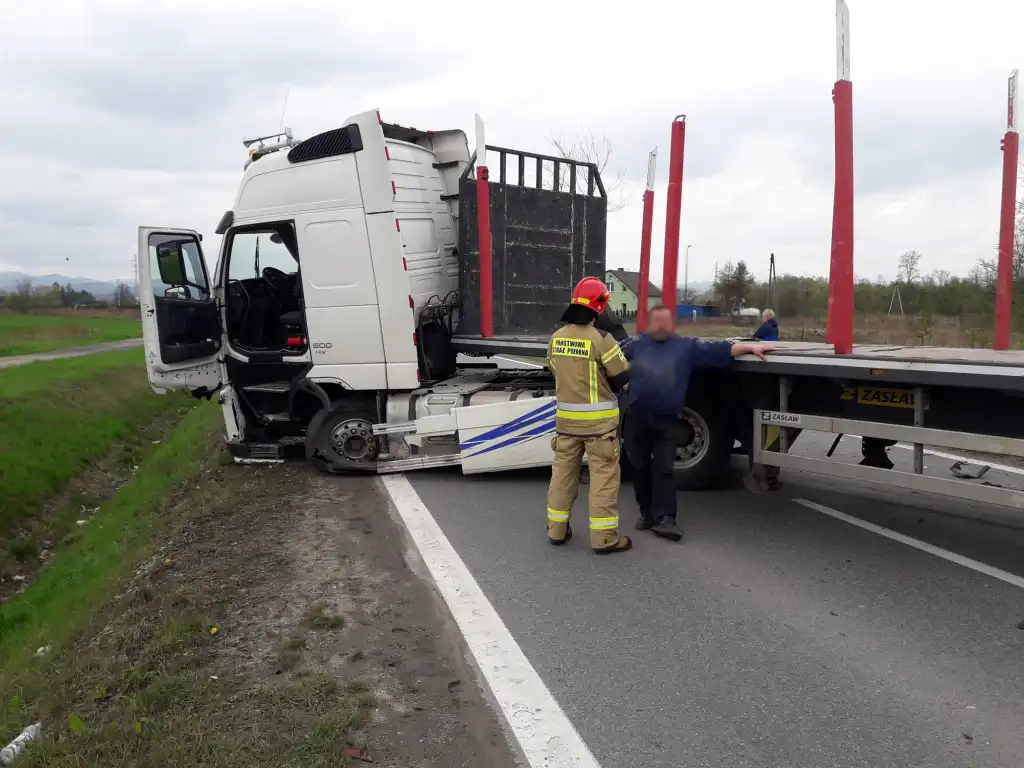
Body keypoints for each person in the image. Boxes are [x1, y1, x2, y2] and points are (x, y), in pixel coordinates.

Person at [623, 304, 775, 541]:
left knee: (664, 470)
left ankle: (667, 519)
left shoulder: (686, 347)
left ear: (672, 325)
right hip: (636, 419)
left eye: (666, 322)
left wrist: (751, 347)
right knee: (640, 469)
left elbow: (721, 350)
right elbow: (610, 364)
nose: (662, 326)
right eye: (657, 321)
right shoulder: (634, 346)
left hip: (666, 421)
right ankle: (646, 513)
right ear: (649, 323)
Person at [546, 277, 633, 555]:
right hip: (599, 428)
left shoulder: (556, 339)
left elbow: (554, 370)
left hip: (566, 425)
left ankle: (557, 530)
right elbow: (622, 379)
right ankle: (604, 538)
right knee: (603, 480)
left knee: (562, 476)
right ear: (600, 306)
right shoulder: (601, 340)